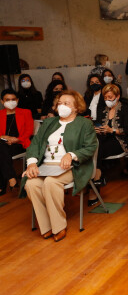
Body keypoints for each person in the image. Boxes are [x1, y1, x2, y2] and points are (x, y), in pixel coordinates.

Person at [20, 90, 98, 242]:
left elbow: (90, 147)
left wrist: (71, 154)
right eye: (60, 103)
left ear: (76, 107)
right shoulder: (49, 123)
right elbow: (35, 144)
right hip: (46, 165)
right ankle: (47, 226)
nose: (62, 106)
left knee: (51, 182)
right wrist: (32, 164)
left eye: (67, 103)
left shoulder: (84, 123)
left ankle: (59, 226)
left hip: (72, 166)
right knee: (31, 184)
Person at [92, 84, 128, 205]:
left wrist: (112, 130)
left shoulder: (125, 108)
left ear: (117, 96)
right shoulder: (102, 110)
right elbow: (99, 124)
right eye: (105, 98)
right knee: (94, 144)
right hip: (104, 139)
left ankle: (96, 176)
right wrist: (98, 129)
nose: (108, 100)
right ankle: (97, 177)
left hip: (120, 141)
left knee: (97, 147)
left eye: (110, 97)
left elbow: (127, 130)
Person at [0, 89, 34, 195]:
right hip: (3, 144)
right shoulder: (0, 114)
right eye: (7, 100)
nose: (10, 101)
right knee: (1, 147)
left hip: (20, 144)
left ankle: (3, 184)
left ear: (17, 100)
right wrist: (3, 136)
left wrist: (16, 139)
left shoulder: (25, 112)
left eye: (13, 99)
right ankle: (11, 178)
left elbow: (29, 131)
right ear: (2, 101)